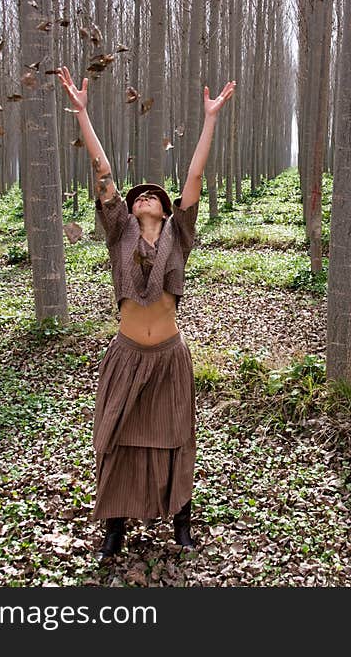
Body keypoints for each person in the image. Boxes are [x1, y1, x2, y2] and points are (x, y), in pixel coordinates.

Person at [58, 65, 236, 562]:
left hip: (169, 356)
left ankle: (179, 518)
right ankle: (114, 526)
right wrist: (82, 114)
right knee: (117, 437)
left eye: (157, 196)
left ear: (166, 207)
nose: (149, 198)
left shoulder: (180, 236)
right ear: (132, 209)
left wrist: (210, 120)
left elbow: (195, 176)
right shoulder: (120, 235)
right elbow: (103, 171)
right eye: (142, 197)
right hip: (128, 353)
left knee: (175, 437)